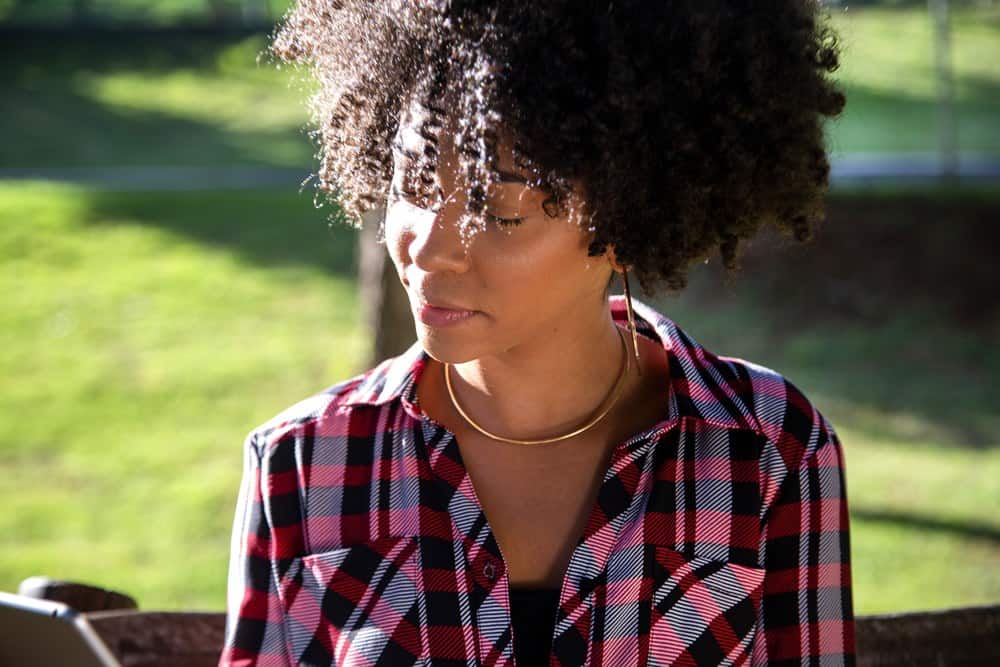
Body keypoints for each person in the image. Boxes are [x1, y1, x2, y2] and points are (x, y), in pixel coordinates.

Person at [219, 1, 854, 665]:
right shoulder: (300, 465)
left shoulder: (771, 450)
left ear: (628, 222)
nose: (432, 248)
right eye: (411, 182)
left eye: (500, 212)